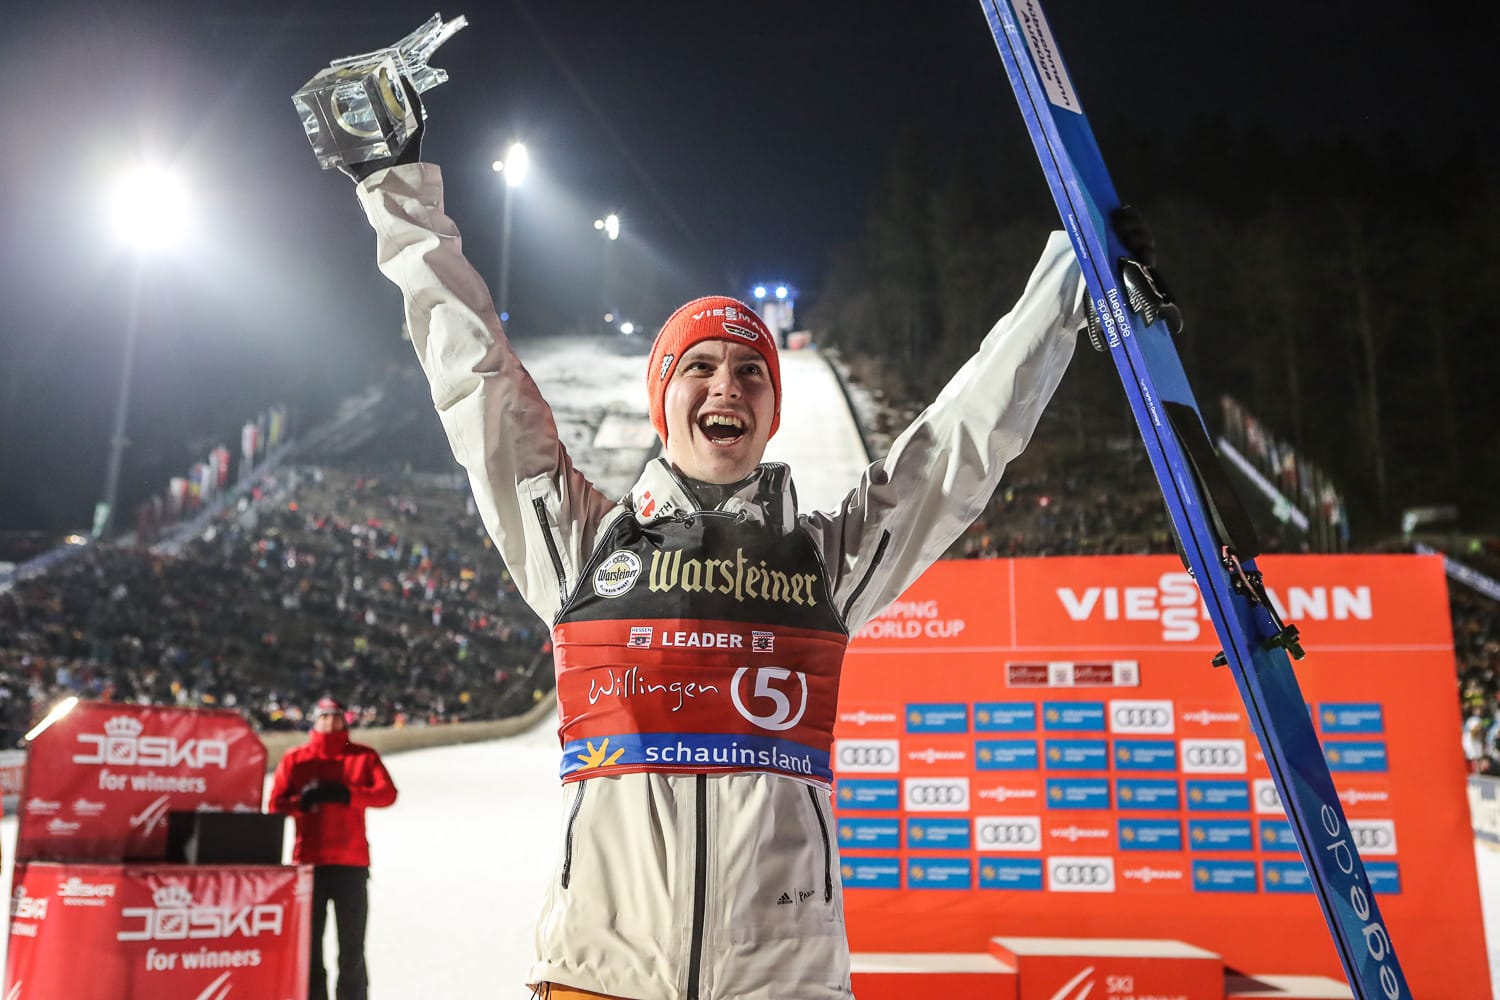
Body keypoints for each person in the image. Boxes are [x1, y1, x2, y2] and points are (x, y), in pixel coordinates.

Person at [335, 82, 1100, 1000]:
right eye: (697, 367)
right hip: (601, 980)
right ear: (663, 404)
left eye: (749, 371)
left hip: (783, 981)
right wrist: (397, 190)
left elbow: (957, 448)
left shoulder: (825, 567)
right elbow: (478, 382)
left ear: (772, 414)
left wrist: (1072, 277)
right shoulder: (583, 547)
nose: (725, 384)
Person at [268, 697, 398, 1000]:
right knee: (310, 945)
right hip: (309, 864)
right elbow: (275, 804)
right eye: (324, 717)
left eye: (335, 716)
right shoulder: (296, 758)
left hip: (351, 864)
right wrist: (302, 802)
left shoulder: (363, 756)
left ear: (344, 721)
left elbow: (387, 794)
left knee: (352, 947)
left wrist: (348, 795)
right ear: (315, 721)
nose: (330, 722)